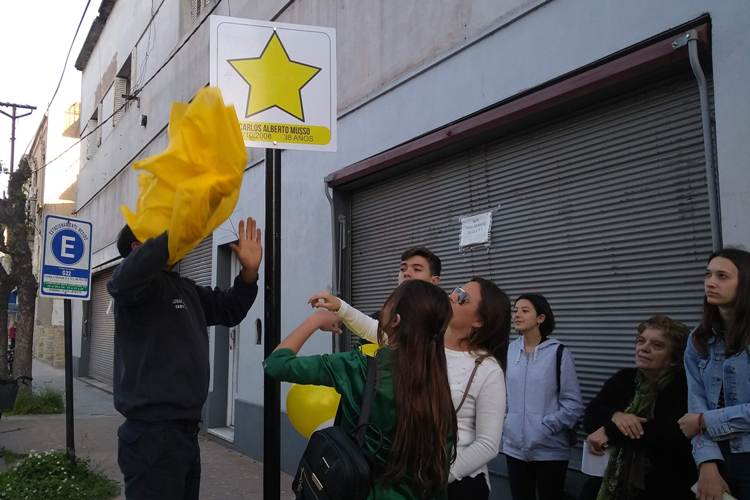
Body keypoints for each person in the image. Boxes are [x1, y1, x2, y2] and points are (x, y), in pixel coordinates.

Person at [311, 276, 510, 500]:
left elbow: (487, 444)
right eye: (457, 290)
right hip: (406, 479)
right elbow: (374, 329)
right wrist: (340, 306)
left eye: (463, 297)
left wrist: (441, 476)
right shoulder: (424, 342)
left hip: (456, 484)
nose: (453, 296)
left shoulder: (487, 369)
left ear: (479, 321)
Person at [108, 217, 262, 500]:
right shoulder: (133, 287)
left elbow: (229, 308)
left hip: (186, 433)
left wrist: (249, 273)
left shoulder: (186, 289)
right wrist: (182, 220)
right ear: (137, 248)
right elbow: (124, 279)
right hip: (151, 437)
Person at [264, 280, 457, 499]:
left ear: (395, 320)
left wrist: (315, 321)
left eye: (388, 303)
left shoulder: (359, 368)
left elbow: (276, 365)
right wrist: (342, 308)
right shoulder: (439, 392)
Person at [580, 315, 695, 500]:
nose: (644, 348)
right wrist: (617, 416)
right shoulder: (624, 378)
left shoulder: (683, 387)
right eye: (641, 341)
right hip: (611, 479)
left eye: (657, 345)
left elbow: (667, 435)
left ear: (674, 358)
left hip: (664, 484)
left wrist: (610, 430)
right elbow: (590, 416)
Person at [678, 248, 750, 500]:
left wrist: (704, 421)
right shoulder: (699, 338)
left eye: (722, 276)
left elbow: (697, 419)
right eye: (708, 274)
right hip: (719, 456)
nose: (710, 282)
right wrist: (707, 464)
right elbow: (695, 403)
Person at [502, 293, 584, 500]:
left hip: (550, 449)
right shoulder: (509, 351)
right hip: (514, 448)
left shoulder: (558, 353)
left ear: (540, 318)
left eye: (525, 310)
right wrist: (507, 424)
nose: (517, 315)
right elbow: (503, 395)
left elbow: (573, 403)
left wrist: (546, 427)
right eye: (515, 310)